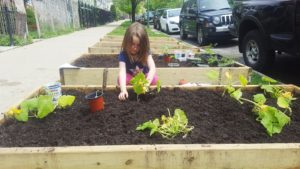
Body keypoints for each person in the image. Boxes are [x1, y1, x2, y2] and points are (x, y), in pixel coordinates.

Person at [118, 22, 158, 100]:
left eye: (138, 45)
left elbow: (152, 68)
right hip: (131, 79)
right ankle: (129, 91)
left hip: (144, 79)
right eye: (132, 44)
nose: (135, 48)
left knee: (155, 79)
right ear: (126, 42)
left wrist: (147, 83)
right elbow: (122, 71)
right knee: (121, 79)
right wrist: (123, 90)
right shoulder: (124, 54)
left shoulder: (145, 53)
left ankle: (149, 92)